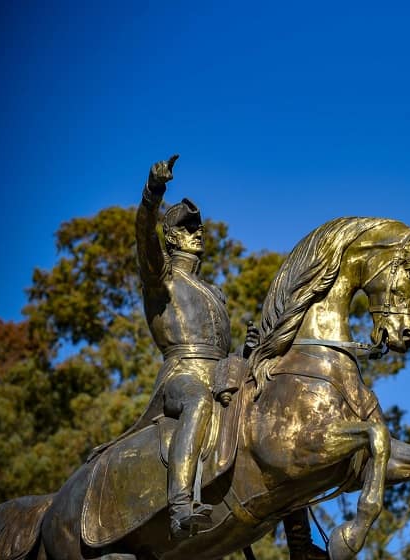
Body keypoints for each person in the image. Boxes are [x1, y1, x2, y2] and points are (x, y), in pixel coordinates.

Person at [137, 155, 326, 558]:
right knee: (198, 400)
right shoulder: (161, 279)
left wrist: (249, 350)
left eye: (198, 228)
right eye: (187, 229)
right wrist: (152, 194)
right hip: (182, 377)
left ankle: (299, 542)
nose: (197, 233)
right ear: (170, 239)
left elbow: (225, 351)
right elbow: (143, 237)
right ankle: (180, 506)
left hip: (223, 372)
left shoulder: (215, 293)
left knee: (278, 416)